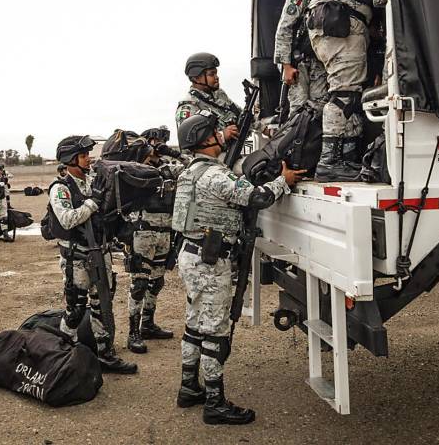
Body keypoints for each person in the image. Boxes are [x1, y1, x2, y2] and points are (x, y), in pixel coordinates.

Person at [172, 112, 304, 424]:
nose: (220, 135)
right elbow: (257, 197)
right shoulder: (215, 176)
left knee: (195, 324)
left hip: (191, 255)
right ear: (205, 139)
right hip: (209, 261)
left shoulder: (190, 172)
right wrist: (283, 181)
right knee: (216, 330)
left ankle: (189, 387)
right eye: (214, 132)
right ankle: (214, 403)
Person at [306, 0, 380, 180]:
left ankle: (345, 159)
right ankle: (330, 162)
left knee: (347, 91)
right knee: (344, 93)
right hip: (342, 22)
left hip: (328, 22)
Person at [48, 135, 137, 374]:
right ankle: (65, 356)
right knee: (75, 310)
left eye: (88, 154)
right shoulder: (60, 188)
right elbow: (67, 220)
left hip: (101, 253)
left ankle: (105, 354)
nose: (89, 159)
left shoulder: (93, 182)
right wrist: (93, 203)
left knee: (102, 306)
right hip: (77, 258)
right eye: (83, 155)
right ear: (70, 159)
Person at [123, 127, 180, 354]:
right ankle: (133, 332)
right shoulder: (135, 169)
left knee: (157, 281)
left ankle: (147, 324)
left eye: (161, 141)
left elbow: (190, 167)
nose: (157, 145)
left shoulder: (167, 169)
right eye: (154, 141)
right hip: (143, 233)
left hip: (165, 232)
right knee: (139, 284)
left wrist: (171, 153)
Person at [274, 0, 328, 114]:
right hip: (298, 64)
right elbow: (284, 27)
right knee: (298, 112)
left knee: (319, 111)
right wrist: (286, 66)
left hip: (319, 62)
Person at [176, 53, 241, 146]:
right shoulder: (188, 107)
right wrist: (222, 136)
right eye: (211, 74)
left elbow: (240, 113)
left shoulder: (219, 94)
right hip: (213, 155)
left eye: (216, 73)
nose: (216, 77)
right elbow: (188, 143)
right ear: (196, 78)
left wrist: (262, 127)